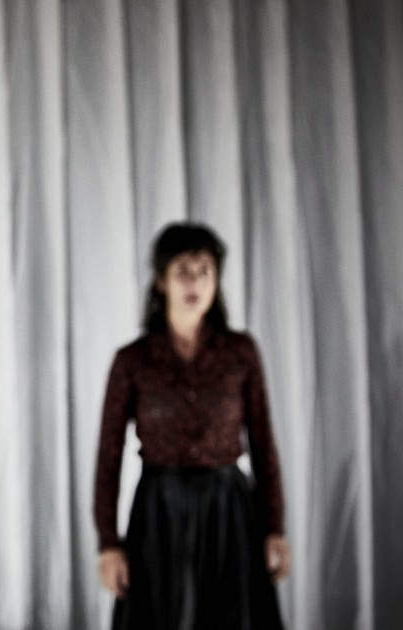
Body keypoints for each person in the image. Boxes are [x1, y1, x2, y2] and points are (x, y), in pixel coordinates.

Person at [92, 222, 291, 629]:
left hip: (229, 511)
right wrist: (108, 543)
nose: (195, 282)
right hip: (159, 512)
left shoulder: (240, 353)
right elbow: (108, 457)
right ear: (161, 280)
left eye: (205, 271)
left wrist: (275, 528)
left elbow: (263, 443)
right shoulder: (133, 360)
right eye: (183, 270)